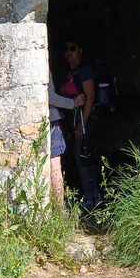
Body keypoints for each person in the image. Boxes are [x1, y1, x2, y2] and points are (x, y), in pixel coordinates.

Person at [57, 39, 101, 213]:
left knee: (84, 157)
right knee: (79, 157)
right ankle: (89, 195)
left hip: (85, 121)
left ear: (80, 50)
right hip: (73, 121)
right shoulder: (70, 73)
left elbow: (90, 97)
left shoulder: (85, 71)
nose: (69, 53)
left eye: (72, 48)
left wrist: (81, 125)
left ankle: (93, 198)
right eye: (66, 50)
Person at [47, 74, 83, 207]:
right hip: (51, 120)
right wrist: (73, 103)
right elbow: (49, 96)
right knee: (55, 164)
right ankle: (59, 211)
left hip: (42, 120)